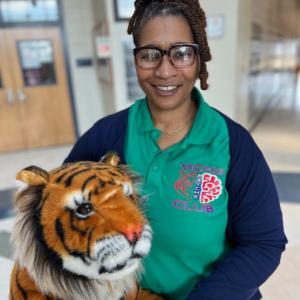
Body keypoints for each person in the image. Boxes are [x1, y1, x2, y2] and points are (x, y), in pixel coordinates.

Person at [64, 1, 287, 299]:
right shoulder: (106, 136)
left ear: (199, 59)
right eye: (150, 54)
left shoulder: (233, 144)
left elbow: (263, 244)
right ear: (136, 60)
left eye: (181, 53)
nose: (165, 70)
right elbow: (60, 209)